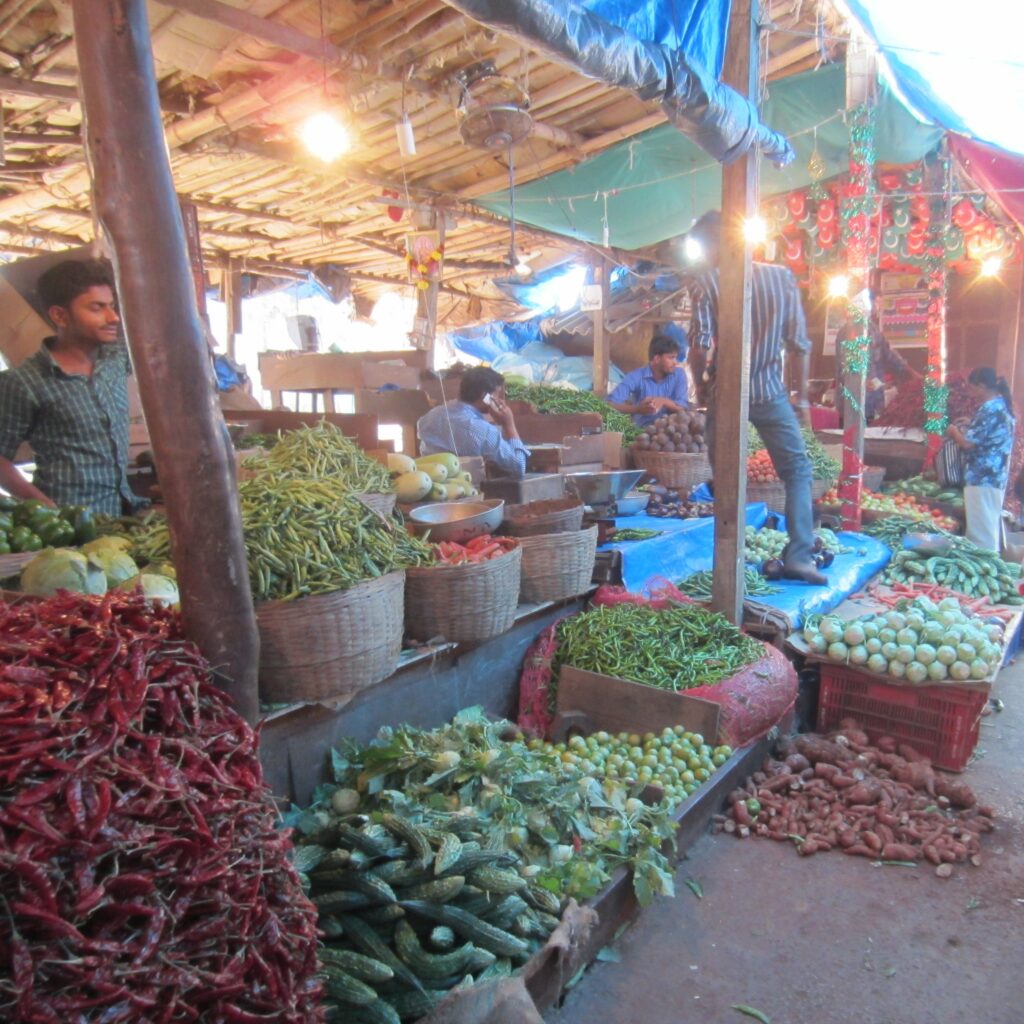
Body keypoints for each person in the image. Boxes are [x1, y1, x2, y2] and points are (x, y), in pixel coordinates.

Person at [684, 210, 825, 585]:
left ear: (716, 244)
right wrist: (802, 400)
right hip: (771, 393)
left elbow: (699, 345)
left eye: (704, 247)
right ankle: (799, 556)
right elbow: (800, 345)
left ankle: (728, 554)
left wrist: (700, 388)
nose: (705, 255)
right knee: (797, 471)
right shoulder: (782, 278)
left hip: (727, 394)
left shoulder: (708, 281)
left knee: (726, 474)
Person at [0, 259, 148, 516]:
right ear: (59, 315)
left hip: (122, 514)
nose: (113, 317)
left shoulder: (116, 358)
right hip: (70, 525)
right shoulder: (25, 382)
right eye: (97, 308)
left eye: (112, 306)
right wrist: (44, 507)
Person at [417, 366, 529, 479]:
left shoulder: (428, 417)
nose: (500, 400)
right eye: (497, 394)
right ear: (484, 396)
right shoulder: (483, 431)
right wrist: (509, 425)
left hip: (434, 482)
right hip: (471, 488)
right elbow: (519, 466)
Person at [948, 366, 1016, 552]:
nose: (972, 393)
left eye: (972, 388)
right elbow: (990, 435)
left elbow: (968, 444)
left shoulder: (989, 408)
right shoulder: (1002, 405)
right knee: (987, 526)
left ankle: (984, 570)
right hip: (995, 476)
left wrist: (954, 432)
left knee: (980, 533)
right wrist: (971, 423)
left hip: (982, 476)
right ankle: (989, 566)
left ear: (981, 386)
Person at [834, 285, 921, 422]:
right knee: (852, 438)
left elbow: (890, 356)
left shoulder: (874, 330)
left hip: (873, 402)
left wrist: (913, 374)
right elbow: (846, 366)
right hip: (852, 402)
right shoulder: (847, 331)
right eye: (878, 302)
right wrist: (861, 382)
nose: (879, 307)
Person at [609, 333, 690, 426]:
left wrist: (663, 401)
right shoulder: (636, 376)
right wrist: (638, 409)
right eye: (671, 358)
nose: (675, 362)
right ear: (657, 359)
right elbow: (610, 404)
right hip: (643, 432)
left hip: (672, 433)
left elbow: (683, 408)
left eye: (675, 358)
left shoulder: (679, 374)